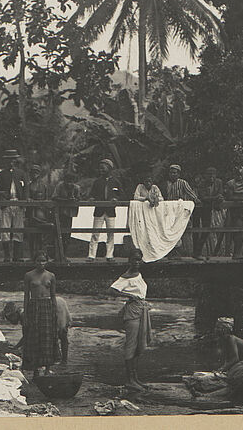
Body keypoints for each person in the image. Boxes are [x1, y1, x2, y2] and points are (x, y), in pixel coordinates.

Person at [108, 248, 152, 391]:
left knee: (139, 344)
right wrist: (129, 296)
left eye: (139, 260)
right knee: (131, 344)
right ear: (129, 260)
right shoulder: (126, 276)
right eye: (134, 259)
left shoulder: (137, 273)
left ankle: (135, 378)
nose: (137, 262)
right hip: (133, 311)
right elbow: (111, 290)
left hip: (141, 309)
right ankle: (129, 380)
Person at [3, 296, 71, 365]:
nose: (11, 321)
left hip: (56, 306)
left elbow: (26, 335)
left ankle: (63, 360)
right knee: (60, 334)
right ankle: (62, 360)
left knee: (61, 333)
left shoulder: (24, 316)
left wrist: (16, 347)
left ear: (16, 313)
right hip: (57, 302)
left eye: (11, 318)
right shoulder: (23, 314)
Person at [22, 251, 59, 377]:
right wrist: (26, 314)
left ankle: (48, 368)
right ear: (34, 262)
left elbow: (53, 295)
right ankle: (36, 369)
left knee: (48, 336)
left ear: (47, 261)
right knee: (34, 336)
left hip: (47, 306)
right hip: (34, 306)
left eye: (43, 261)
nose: (41, 263)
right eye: (38, 261)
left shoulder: (51, 276)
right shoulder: (29, 275)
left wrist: (55, 311)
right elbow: (26, 296)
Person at [0, 149, 27, 262]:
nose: (11, 162)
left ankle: (17, 256)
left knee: (18, 229)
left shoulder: (21, 173)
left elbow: (25, 189)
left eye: (13, 160)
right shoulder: (1, 174)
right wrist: (2, 198)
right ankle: (7, 256)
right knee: (5, 229)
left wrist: (23, 203)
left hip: (18, 203)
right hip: (6, 204)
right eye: (9, 160)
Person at [88, 159, 121, 261]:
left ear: (109, 168)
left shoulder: (115, 182)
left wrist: (116, 199)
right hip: (99, 211)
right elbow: (92, 195)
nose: (101, 169)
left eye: (104, 167)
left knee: (110, 234)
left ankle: (109, 255)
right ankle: (91, 256)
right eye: (100, 167)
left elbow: (121, 194)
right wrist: (92, 199)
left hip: (110, 212)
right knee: (95, 233)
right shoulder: (97, 182)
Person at [164, 164, 199, 257]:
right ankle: (171, 252)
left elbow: (190, 193)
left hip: (180, 210)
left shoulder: (183, 183)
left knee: (180, 230)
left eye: (175, 173)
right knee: (170, 230)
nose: (172, 175)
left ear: (178, 174)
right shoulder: (166, 183)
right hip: (169, 210)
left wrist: (196, 199)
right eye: (171, 173)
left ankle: (181, 252)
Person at [192, 168, 224, 260]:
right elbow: (203, 197)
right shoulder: (201, 183)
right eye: (209, 174)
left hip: (208, 208)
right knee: (196, 230)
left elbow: (220, 194)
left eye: (213, 174)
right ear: (205, 175)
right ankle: (196, 252)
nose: (211, 177)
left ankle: (198, 250)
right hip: (198, 208)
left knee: (207, 229)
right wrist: (215, 198)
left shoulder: (219, 182)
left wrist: (219, 198)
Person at [223, 166, 243, 259]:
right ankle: (231, 252)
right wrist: (241, 198)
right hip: (233, 210)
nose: (239, 176)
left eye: (241, 174)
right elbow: (229, 197)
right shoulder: (230, 183)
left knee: (242, 232)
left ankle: (238, 252)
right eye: (237, 174)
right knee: (233, 232)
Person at [26, 164, 52, 259]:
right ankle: (32, 255)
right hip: (31, 212)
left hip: (41, 212)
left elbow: (46, 199)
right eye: (33, 173)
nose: (34, 175)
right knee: (32, 236)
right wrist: (29, 199)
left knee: (42, 236)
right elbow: (27, 197)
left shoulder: (43, 186)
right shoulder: (28, 186)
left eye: (36, 173)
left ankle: (42, 255)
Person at [52, 170, 81, 253]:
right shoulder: (60, 186)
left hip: (70, 214)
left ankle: (64, 253)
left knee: (67, 234)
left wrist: (74, 200)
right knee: (58, 233)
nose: (69, 184)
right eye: (67, 181)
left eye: (71, 182)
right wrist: (65, 200)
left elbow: (79, 198)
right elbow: (54, 197)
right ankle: (58, 254)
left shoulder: (76, 188)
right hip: (60, 213)